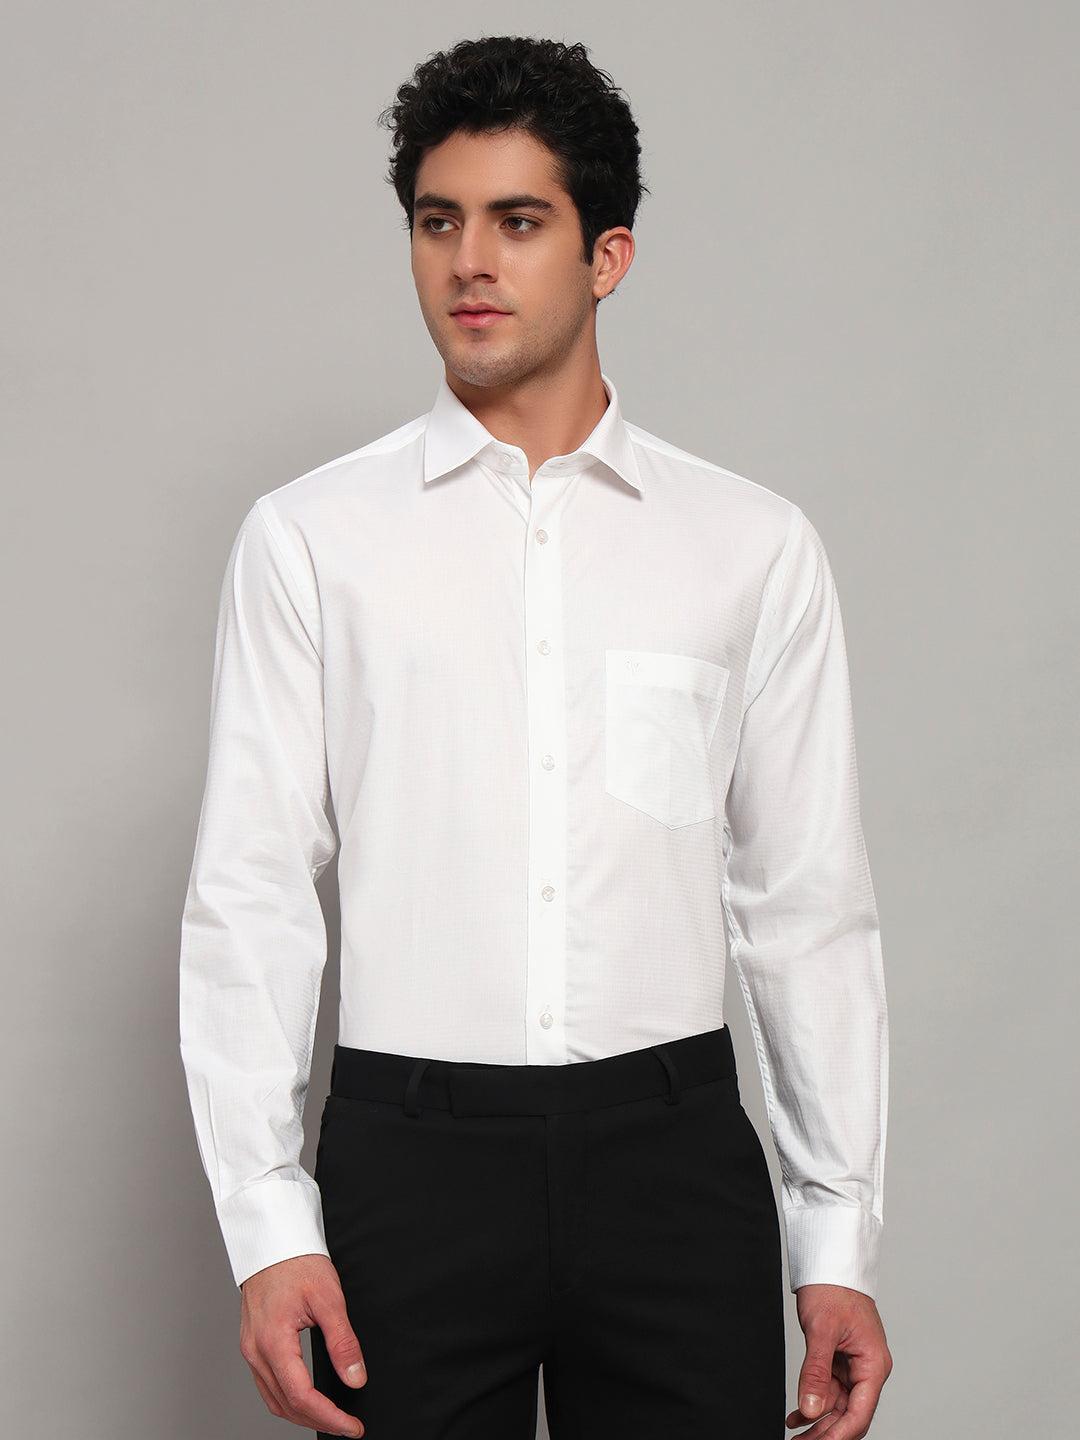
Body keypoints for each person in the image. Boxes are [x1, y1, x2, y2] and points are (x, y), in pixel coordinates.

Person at [179, 34, 891, 1440]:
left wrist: (836, 1241)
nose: (468, 263)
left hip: (673, 1161)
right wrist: (267, 1222)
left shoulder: (749, 547)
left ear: (606, 255)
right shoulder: (312, 540)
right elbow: (251, 891)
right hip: (410, 1166)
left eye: (517, 221)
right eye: (436, 221)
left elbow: (805, 904)